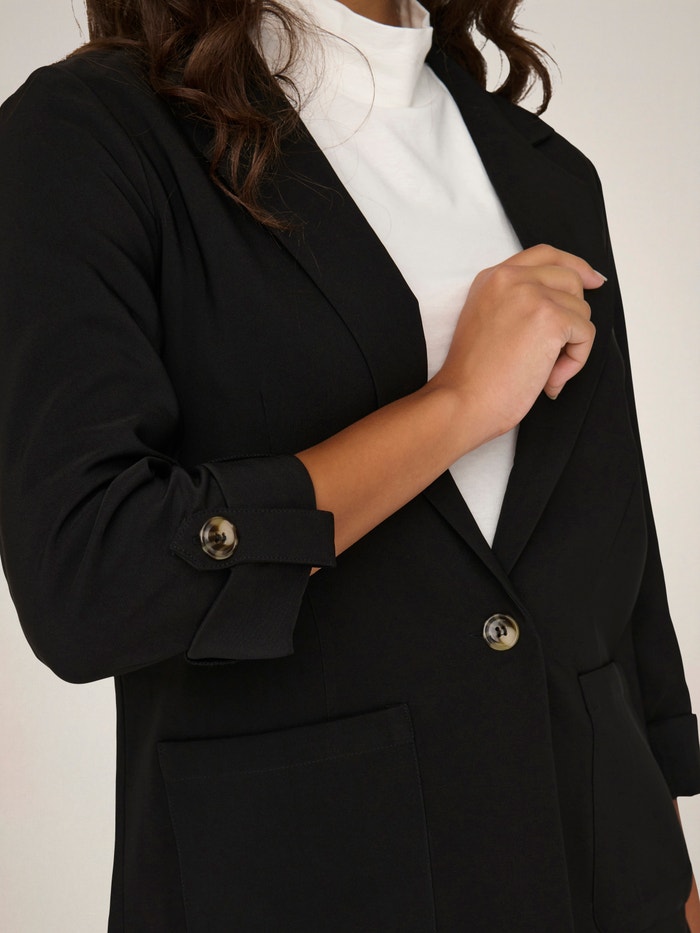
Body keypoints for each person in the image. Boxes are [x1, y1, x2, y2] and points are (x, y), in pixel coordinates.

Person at [0, 0, 698, 930]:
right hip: (304, 879)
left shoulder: (549, 172)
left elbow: (615, 565)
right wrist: (454, 407)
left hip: (600, 882)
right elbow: (89, 581)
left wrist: (672, 879)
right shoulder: (95, 132)